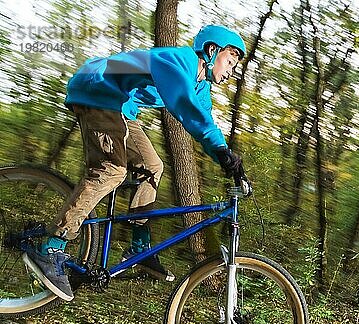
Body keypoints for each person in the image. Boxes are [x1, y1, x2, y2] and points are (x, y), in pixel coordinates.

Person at [24, 25, 246, 301]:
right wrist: (223, 154)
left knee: (152, 167)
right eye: (230, 61)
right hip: (97, 90)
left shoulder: (200, 86)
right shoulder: (178, 61)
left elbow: (205, 122)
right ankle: (52, 245)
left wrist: (226, 158)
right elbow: (184, 106)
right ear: (212, 51)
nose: (231, 70)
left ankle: (139, 247)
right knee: (111, 169)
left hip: (121, 108)